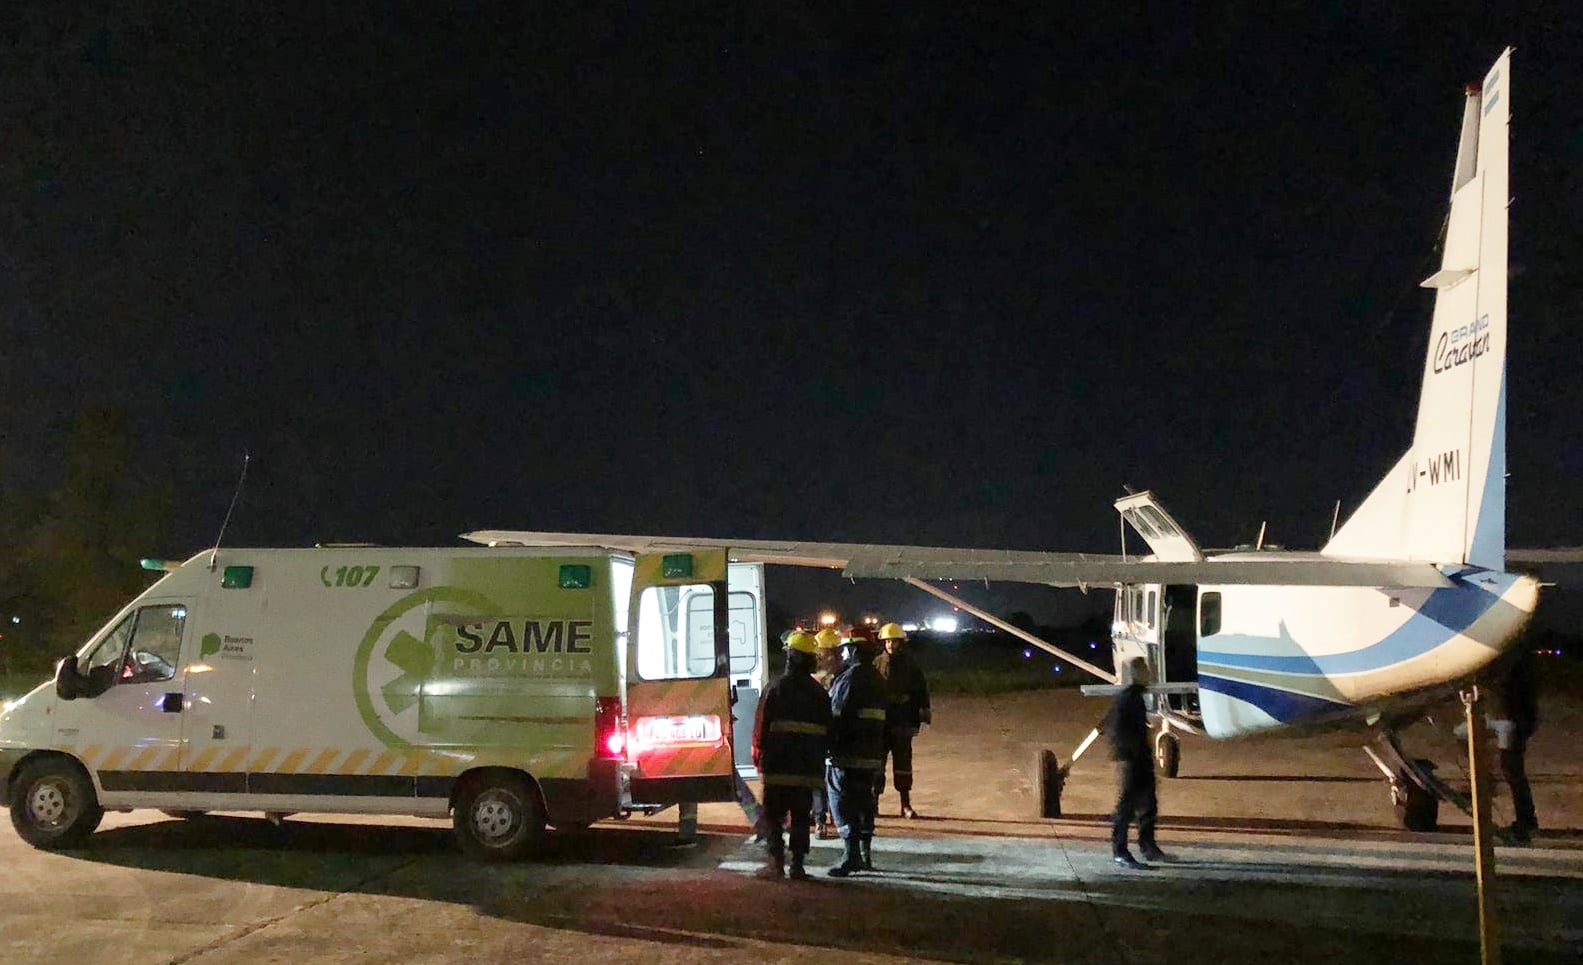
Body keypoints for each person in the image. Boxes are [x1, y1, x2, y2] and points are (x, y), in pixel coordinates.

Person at [751, 630, 833, 879]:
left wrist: (759, 756)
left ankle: (776, 864)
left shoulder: (775, 688)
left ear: (790, 656)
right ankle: (798, 866)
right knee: (800, 817)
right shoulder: (819, 693)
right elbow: (829, 730)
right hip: (807, 769)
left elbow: (760, 728)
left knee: (773, 816)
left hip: (778, 767)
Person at [825, 625, 888, 877]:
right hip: (872, 753)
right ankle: (865, 855)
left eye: (844, 650)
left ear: (852, 649)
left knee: (841, 801)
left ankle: (850, 856)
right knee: (865, 802)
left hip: (847, 754)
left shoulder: (849, 678)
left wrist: (829, 744)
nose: (842, 655)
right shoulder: (877, 678)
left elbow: (837, 715)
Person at [1103, 657, 1167, 869]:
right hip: (1132, 761)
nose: (1149, 674)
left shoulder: (1136, 698)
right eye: (1145, 670)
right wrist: (1131, 755)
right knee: (1127, 807)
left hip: (1140, 759)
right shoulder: (1128, 699)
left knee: (1149, 804)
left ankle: (1147, 845)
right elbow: (1120, 732)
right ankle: (1120, 850)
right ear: (1137, 674)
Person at [873, 622, 931, 818]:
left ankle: (905, 804)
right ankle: (874, 803)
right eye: (887, 641)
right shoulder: (876, 663)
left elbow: (921, 690)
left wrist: (924, 710)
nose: (890, 644)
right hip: (881, 722)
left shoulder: (910, 664)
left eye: (894, 641)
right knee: (876, 765)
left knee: (903, 765)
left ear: (901, 642)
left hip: (902, 720)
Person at [1491, 646, 1540, 844]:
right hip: (1519, 722)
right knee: (1512, 770)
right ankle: (1526, 820)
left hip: (1515, 723)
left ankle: (1526, 821)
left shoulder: (1515, 667)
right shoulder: (1522, 664)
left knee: (1512, 770)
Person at [811, 627, 844, 839]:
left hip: (837, 734)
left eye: (822, 653)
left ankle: (838, 817)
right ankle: (820, 819)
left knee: (836, 779)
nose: (820, 658)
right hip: (819, 735)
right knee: (818, 779)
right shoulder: (814, 678)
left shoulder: (845, 676)